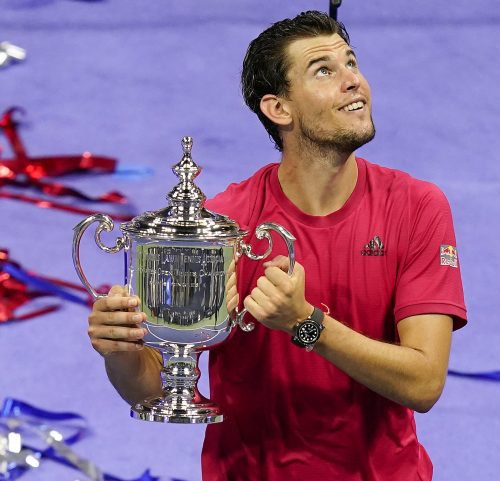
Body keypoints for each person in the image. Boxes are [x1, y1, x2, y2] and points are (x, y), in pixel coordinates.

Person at [87, 10, 467, 481]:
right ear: (279, 109)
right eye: (324, 70)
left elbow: (425, 383)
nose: (354, 81)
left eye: (351, 62)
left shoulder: (417, 207)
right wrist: (120, 349)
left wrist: (307, 324)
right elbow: (151, 389)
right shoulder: (224, 225)